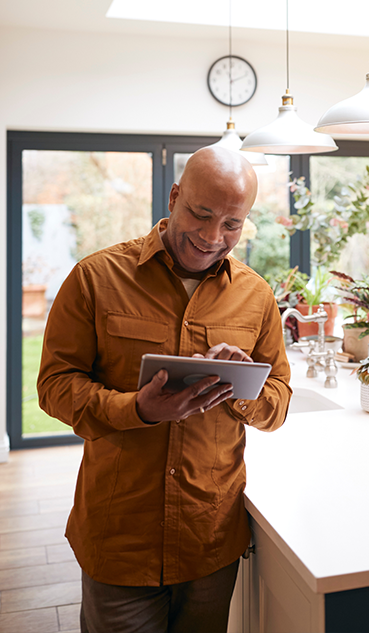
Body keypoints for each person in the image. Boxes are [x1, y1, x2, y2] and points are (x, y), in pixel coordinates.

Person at [37, 146, 291, 633]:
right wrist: (139, 408)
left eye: (232, 224)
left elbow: (277, 404)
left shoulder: (256, 296)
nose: (213, 236)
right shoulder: (95, 278)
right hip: (120, 538)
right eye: (201, 213)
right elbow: (53, 386)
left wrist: (240, 390)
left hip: (209, 539)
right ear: (175, 197)